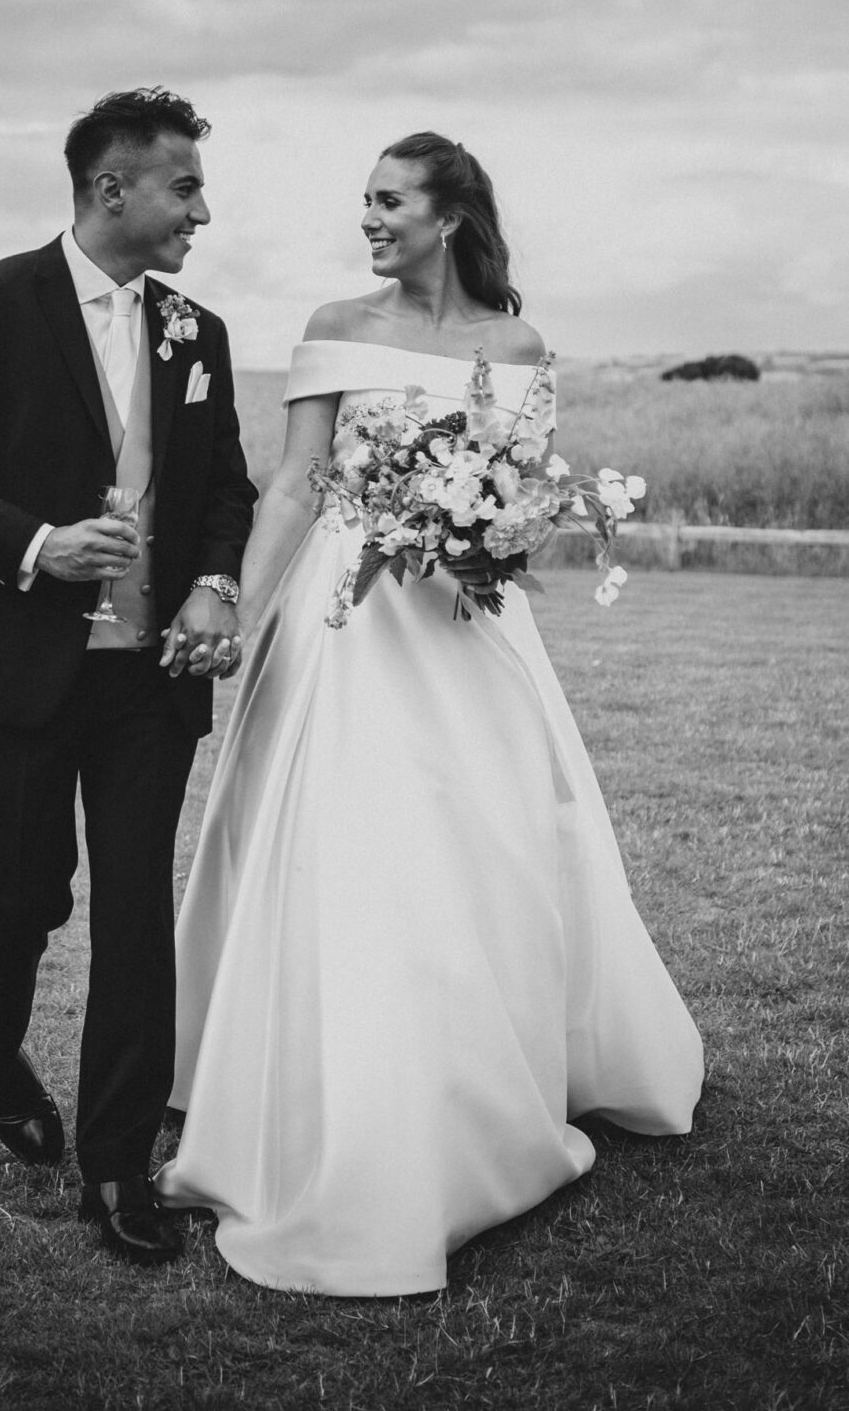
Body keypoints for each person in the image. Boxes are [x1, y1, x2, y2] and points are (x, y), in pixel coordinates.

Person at [155, 131, 704, 1295]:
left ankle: (479, 1076)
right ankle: (315, 1086)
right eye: (363, 200)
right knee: (345, 842)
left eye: (389, 201)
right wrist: (240, 618)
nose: (368, 219)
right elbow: (298, 482)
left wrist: (490, 527)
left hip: (465, 622)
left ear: (449, 217)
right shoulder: (333, 324)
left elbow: (530, 497)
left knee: (484, 838)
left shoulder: (516, 343)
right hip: (343, 626)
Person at [0, 87, 257, 1266]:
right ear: (110, 190)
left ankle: (115, 1166)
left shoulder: (199, 330)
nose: (203, 206)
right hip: (16, 664)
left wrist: (213, 584)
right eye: (183, 185)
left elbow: (227, 489)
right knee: (20, 897)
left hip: (147, 679)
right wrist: (38, 546)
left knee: (137, 913)